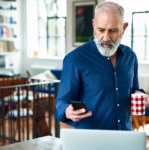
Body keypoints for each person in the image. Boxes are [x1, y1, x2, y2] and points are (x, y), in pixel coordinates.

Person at [55, 1, 149, 130]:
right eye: (101, 30)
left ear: (124, 28)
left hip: (124, 138)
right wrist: (66, 111)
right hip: (91, 142)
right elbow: (61, 103)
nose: (106, 37)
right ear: (94, 25)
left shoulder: (130, 57)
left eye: (113, 31)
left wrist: (143, 98)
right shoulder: (75, 59)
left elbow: (134, 93)